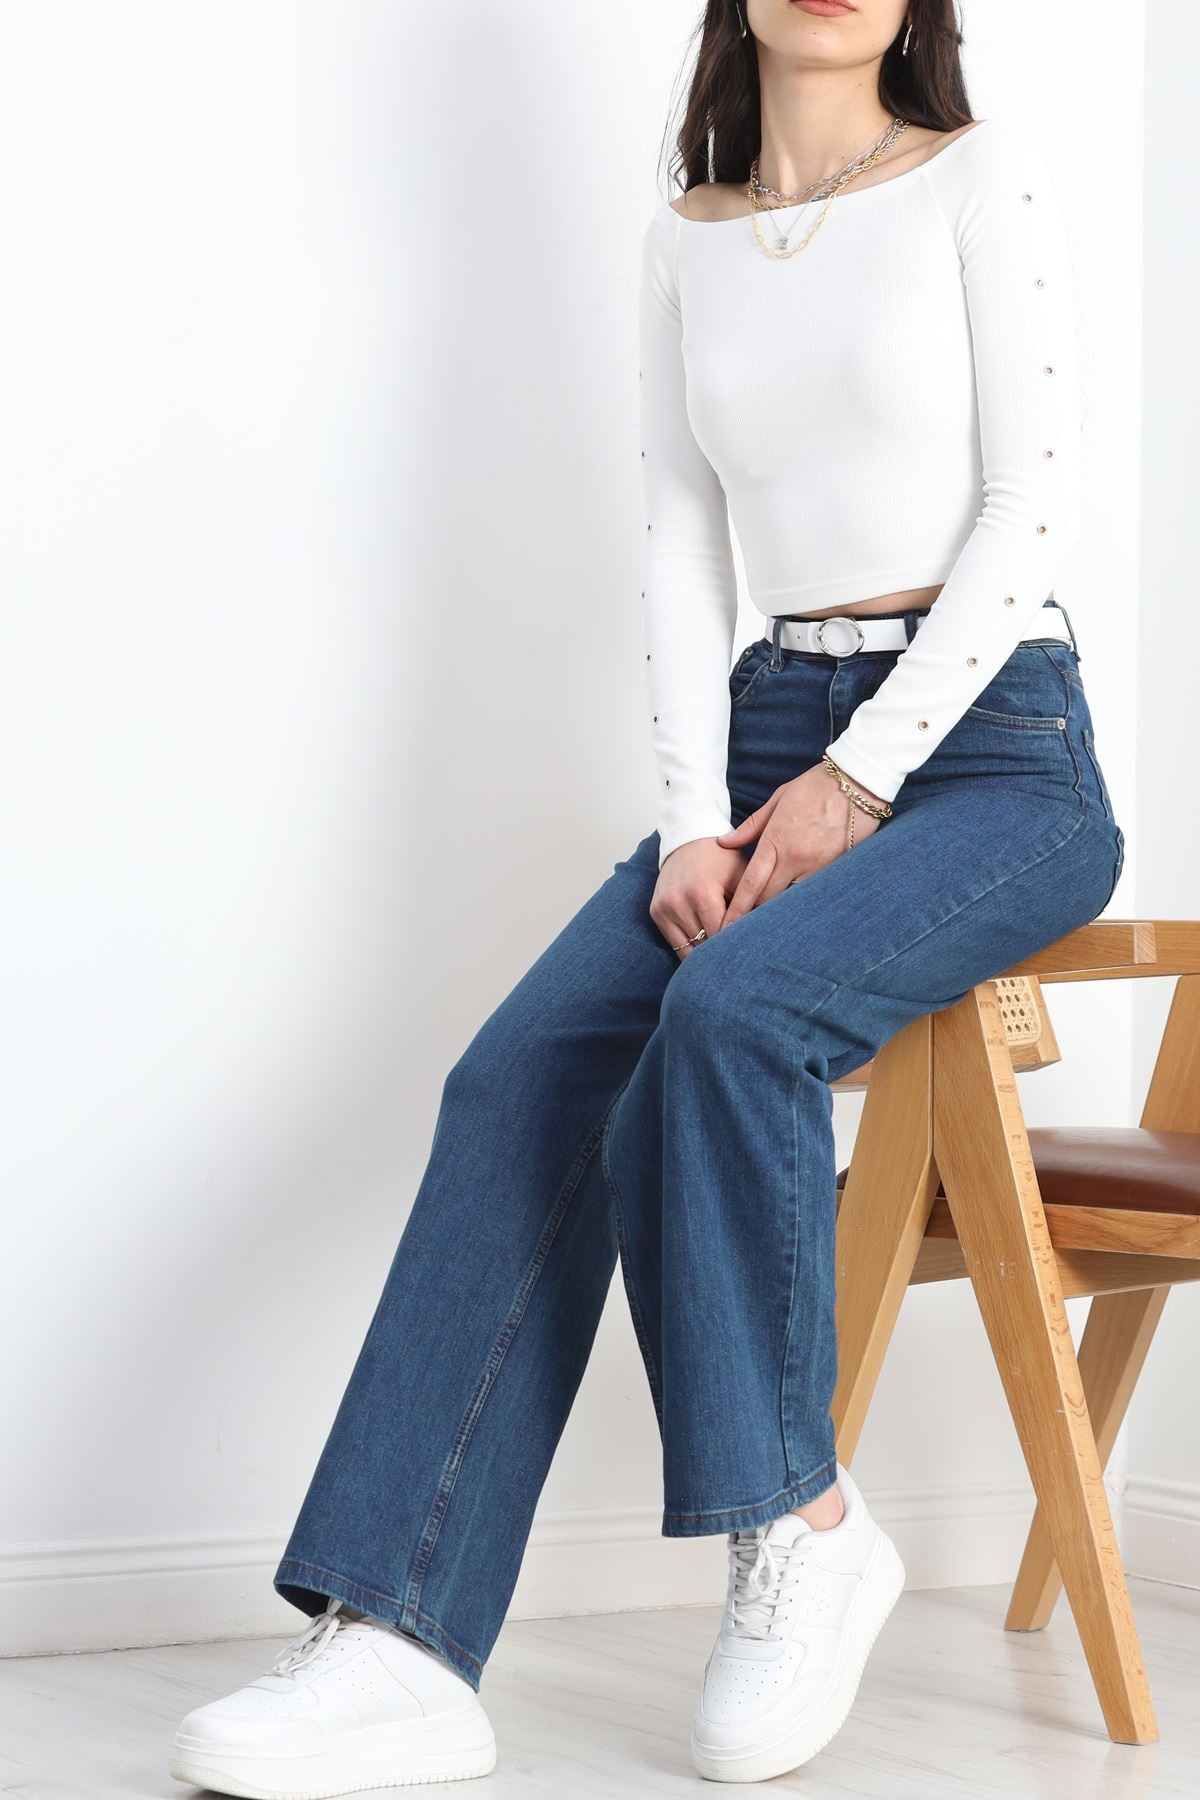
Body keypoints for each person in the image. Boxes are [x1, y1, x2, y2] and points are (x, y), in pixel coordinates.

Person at [169, 1, 1125, 1793]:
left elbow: (1033, 505)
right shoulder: (687, 236)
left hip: (994, 752)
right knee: (518, 1075)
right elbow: (684, 538)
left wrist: (861, 779)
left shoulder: (978, 182)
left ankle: (798, 1524)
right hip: (762, 739)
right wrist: (698, 818)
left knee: (734, 1011)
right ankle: (398, 1636)